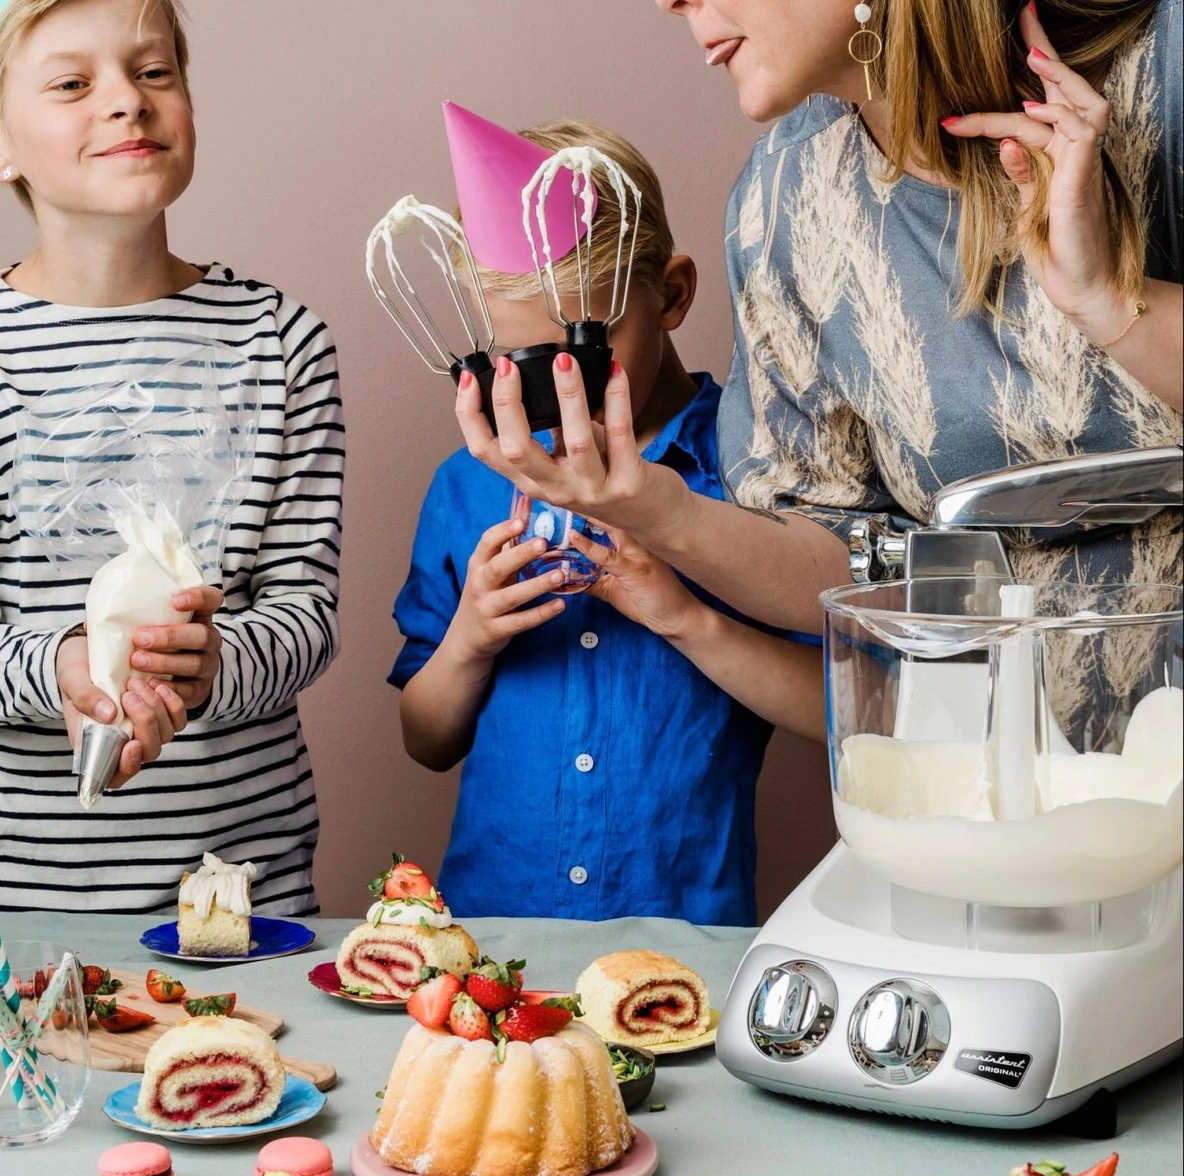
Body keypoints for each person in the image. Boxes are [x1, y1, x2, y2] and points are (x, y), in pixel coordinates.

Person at [455, 0, 1181, 666]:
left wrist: (1110, 305)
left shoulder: (1165, 63)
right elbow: (850, 560)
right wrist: (653, 508)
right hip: (1001, 766)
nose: (670, 0)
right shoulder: (783, 201)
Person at [392, 115, 824, 926]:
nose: (559, 395)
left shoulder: (756, 476)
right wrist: (471, 638)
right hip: (493, 940)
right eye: (519, 361)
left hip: (687, 935)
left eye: (584, 352)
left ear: (674, 294)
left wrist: (689, 618)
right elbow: (426, 740)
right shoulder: (468, 488)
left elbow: (847, 711)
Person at [0, 0, 344, 914]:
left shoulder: (281, 344)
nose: (126, 102)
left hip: (241, 899)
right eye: (74, 83)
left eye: (154, 73)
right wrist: (66, 663)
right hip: (25, 903)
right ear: (3, 145)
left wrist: (212, 665)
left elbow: (307, 614)